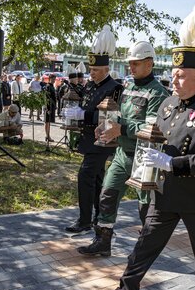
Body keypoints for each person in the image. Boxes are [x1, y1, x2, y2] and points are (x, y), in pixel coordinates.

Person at [94, 3, 195, 290]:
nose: (175, 81)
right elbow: (152, 138)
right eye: (173, 74)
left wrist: (172, 163)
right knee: (145, 243)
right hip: (166, 193)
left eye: (181, 76)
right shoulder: (169, 105)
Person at [76, 41, 169, 257]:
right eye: (130, 64)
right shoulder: (128, 87)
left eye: (136, 63)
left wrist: (121, 128)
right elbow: (120, 115)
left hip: (144, 157)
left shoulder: (158, 93)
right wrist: (106, 124)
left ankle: (144, 249)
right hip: (122, 154)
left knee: (145, 206)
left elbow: (152, 128)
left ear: (149, 63)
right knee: (107, 194)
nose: (131, 68)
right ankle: (102, 240)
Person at [64, 26, 124, 234]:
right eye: (90, 70)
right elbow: (87, 104)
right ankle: (99, 217)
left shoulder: (115, 88)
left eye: (95, 70)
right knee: (97, 179)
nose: (91, 73)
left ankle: (84, 220)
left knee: (85, 176)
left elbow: (112, 117)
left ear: (106, 70)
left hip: (102, 140)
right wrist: (77, 113)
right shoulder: (91, 85)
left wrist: (83, 115)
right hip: (88, 138)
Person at [44, 73, 57, 142]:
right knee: (47, 122)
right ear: (50, 79)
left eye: (54, 79)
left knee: (48, 122)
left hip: (52, 106)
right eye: (53, 79)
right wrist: (48, 108)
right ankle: (48, 136)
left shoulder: (52, 86)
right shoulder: (48, 86)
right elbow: (47, 98)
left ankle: (48, 136)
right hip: (49, 107)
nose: (54, 80)